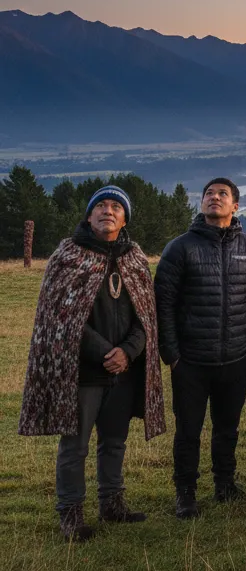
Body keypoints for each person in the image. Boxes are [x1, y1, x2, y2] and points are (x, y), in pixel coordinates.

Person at [19, 187, 165, 541]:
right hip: (83, 372)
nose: (108, 211)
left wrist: (128, 352)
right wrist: (106, 353)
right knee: (75, 445)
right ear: (88, 216)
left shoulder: (134, 258)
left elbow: (146, 317)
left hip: (124, 370)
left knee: (114, 442)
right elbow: (61, 316)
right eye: (100, 205)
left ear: (125, 219)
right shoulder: (67, 256)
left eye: (116, 207)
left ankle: (112, 504)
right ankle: (70, 514)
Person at [155, 177, 246, 519]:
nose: (214, 198)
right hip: (191, 360)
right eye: (209, 194)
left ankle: (225, 484)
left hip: (236, 357)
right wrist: (172, 355)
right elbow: (164, 303)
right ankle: (186, 493)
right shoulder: (181, 247)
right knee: (188, 430)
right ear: (201, 203)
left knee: (228, 427)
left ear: (235, 206)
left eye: (223, 194)